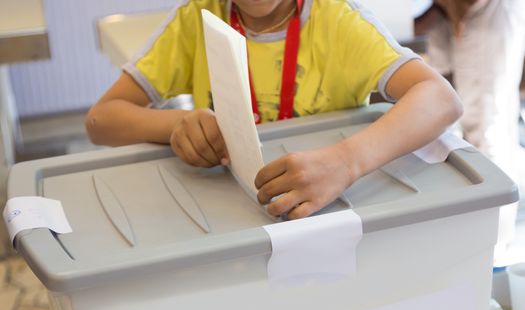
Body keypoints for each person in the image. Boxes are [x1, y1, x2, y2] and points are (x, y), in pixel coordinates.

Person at [86, 0, 462, 220]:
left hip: (325, 217)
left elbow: (440, 98)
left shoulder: (337, 20)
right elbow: (101, 120)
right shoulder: (199, 17)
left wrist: (348, 161)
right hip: (231, 216)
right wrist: (176, 124)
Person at [415, 0, 525, 265]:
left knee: (485, 126)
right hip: (445, 11)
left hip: (479, 9)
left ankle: (492, 253)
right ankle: (479, 247)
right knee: (451, 124)